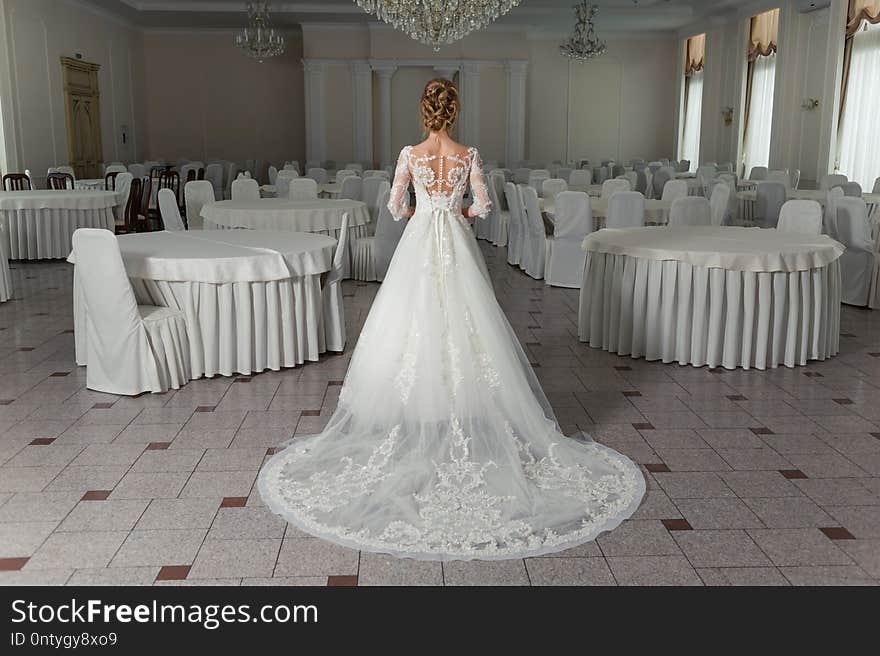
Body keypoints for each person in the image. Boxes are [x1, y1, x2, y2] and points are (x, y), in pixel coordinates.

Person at [259, 78, 644, 561]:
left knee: (410, 326)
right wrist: (457, 207)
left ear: (424, 112)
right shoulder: (469, 154)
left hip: (419, 242)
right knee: (466, 322)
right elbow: (482, 206)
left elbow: (396, 208)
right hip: (456, 244)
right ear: (453, 112)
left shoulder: (409, 155)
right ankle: (466, 407)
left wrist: (424, 205)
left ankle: (420, 410)